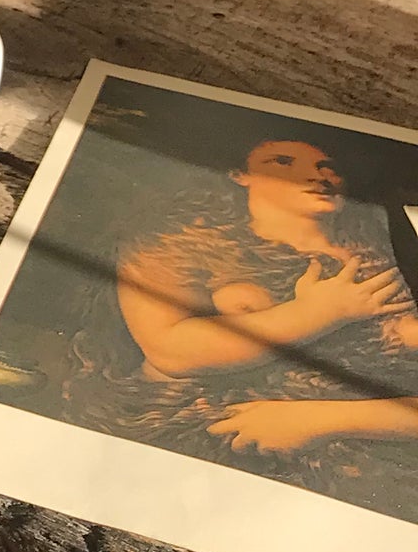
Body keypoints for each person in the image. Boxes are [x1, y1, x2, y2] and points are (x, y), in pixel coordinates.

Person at [112, 138, 418, 460]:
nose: (317, 176)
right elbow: (167, 348)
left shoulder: (386, 249)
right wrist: (316, 314)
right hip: (205, 438)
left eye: (329, 168)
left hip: (364, 456)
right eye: (283, 162)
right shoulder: (184, 243)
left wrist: (321, 420)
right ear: (239, 173)